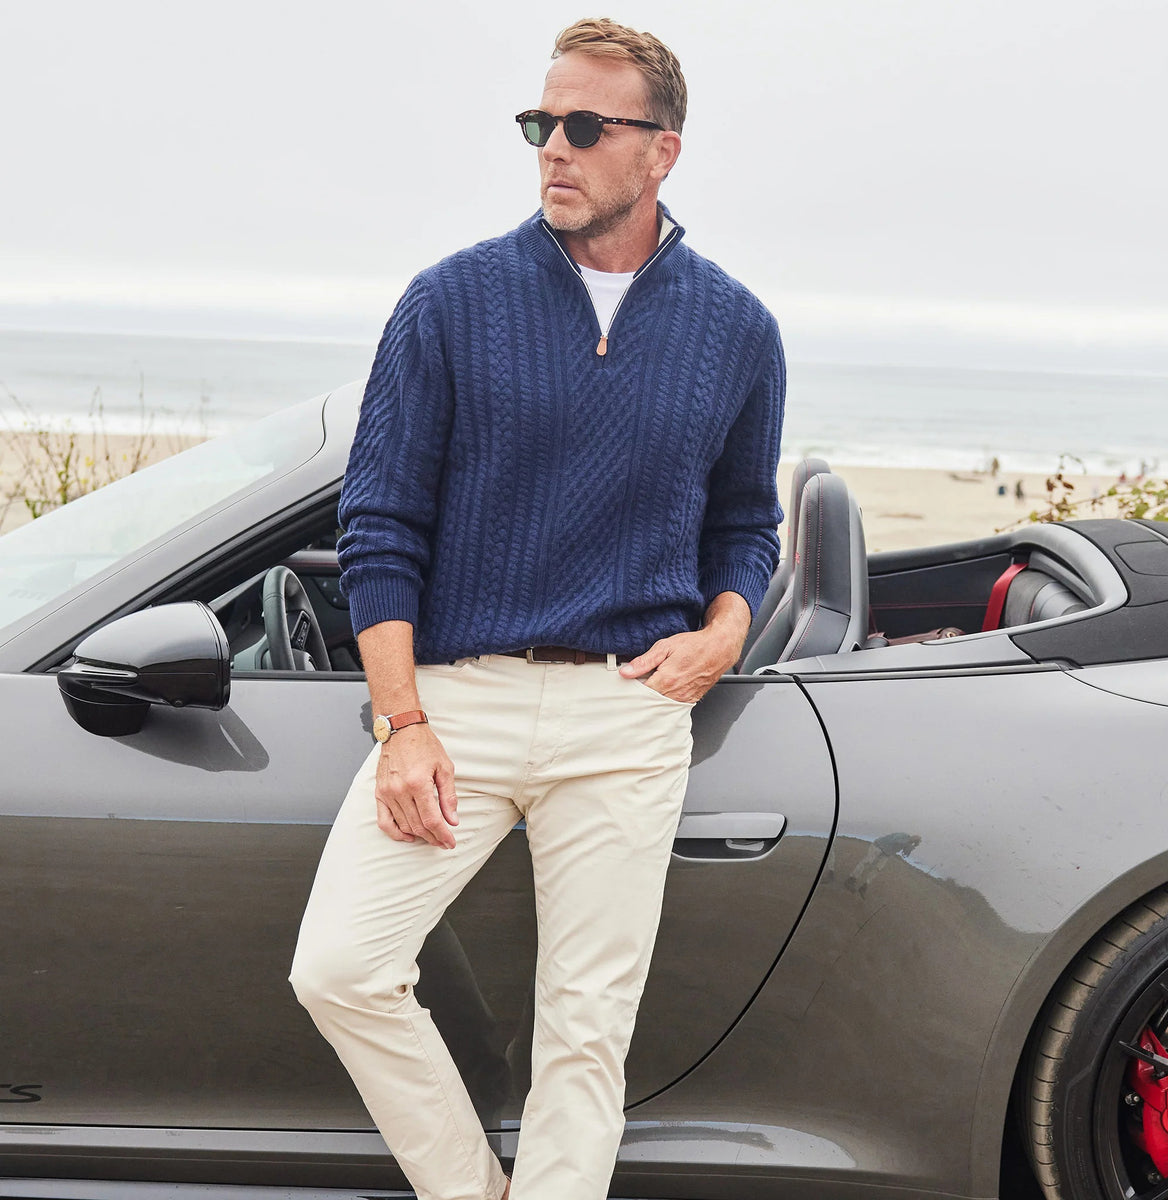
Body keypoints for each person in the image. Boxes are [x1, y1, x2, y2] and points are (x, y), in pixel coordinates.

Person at [289, 17, 786, 1200]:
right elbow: (382, 525)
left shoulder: (739, 330)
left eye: (584, 127)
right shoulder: (451, 301)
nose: (552, 149)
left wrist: (723, 635)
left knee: (585, 1029)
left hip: (628, 714)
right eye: (539, 123)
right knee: (341, 968)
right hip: (458, 707)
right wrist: (402, 722)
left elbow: (746, 527)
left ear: (661, 152)